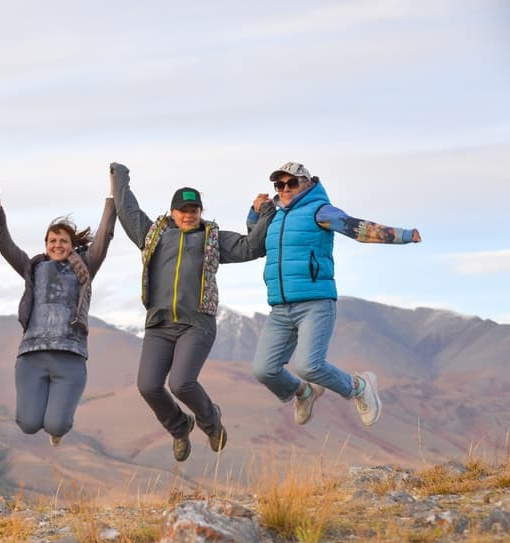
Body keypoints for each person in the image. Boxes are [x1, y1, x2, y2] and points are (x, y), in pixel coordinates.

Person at [247, 161, 422, 427]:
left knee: (309, 366)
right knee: (264, 370)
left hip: (315, 303)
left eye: (291, 183)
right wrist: (254, 212)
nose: (284, 189)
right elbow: (256, 242)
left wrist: (404, 235)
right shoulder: (274, 215)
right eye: (279, 185)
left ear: (306, 183)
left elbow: (359, 229)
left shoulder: (320, 211)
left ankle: (359, 387)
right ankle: (304, 393)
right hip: (280, 308)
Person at [111, 162, 265, 462]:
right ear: (172, 212)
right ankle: (180, 427)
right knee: (148, 386)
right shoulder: (152, 235)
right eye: (183, 210)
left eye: (194, 209)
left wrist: (262, 214)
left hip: (197, 324)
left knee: (181, 383)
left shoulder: (212, 239)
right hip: (159, 325)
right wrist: (119, 175)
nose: (189, 214)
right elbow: (125, 209)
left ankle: (211, 421)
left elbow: (251, 247)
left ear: (200, 211)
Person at [0, 185, 117, 447]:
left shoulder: (85, 266)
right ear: (46, 245)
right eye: (52, 240)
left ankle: (58, 427)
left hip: (69, 355)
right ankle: (48, 418)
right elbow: (5, 245)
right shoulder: (32, 268)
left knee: (56, 424)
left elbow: (104, 237)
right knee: (28, 425)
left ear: (72, 245)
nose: (57, 245)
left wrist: (112, 195)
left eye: (63, 240)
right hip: (31, 354)